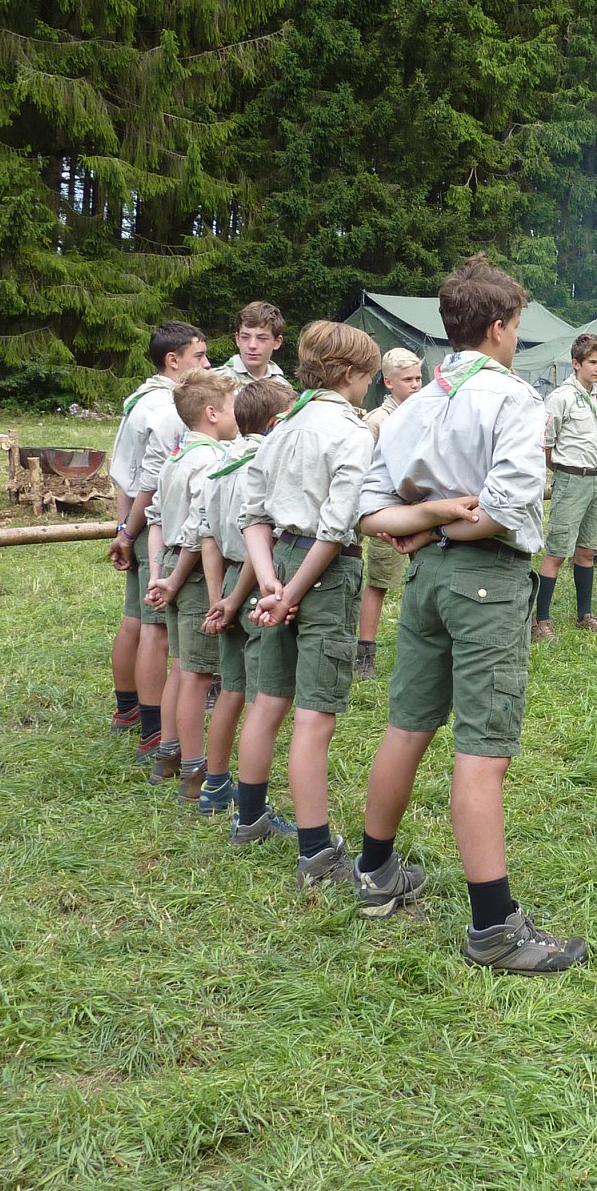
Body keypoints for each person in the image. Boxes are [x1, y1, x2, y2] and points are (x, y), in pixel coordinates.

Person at [354, 254, 589, 975]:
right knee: (484, 750)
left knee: (407, 725)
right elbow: (511, 507)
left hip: (425, 584)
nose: (517, 339)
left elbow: (368, 509)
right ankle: (494, 927)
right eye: (517, 326)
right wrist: (443, 522)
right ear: (496, 327)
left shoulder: (414, 403)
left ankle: (375, 874)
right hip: (485, 582)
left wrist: (420, 527)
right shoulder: (512, 398)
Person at [233, 320, 380, 886]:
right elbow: (338, 526)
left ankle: (248, 818)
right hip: (324, 572)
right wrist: (291, 594)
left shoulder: (283, 425)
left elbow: (254, 514)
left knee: (268, 700)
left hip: (280, 564)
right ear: (348, 374)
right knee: (315, 717)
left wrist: (270, 583)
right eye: (368, 376)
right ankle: (317, 854)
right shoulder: (350, 432)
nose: (368, 387)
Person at [106, 321, 210, 761]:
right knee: (155, 629)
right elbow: (149, 479)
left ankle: (127, 710)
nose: (207, 363)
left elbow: (119, 473)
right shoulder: (168, 407)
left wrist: (121, 527)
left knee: (135, 618)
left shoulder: (140, 400)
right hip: (158, 526)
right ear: (174, 360)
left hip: (137, 523)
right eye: (200, 356)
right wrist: (130, 532)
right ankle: (152, 730)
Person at [194, 376, 294, 816]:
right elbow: (263, 538)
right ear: (276, 422)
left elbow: (210, 538)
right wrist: (235, 601)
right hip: (255, 584)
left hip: (227, 580)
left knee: (231, 689)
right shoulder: (264, 463)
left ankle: (214, 784)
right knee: (260, 696)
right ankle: (253, 805)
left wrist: (218, 598)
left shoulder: (220, 463)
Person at [141, 368, 239, 799]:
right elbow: (202, 530)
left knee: (180, 669)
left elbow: (157, 520)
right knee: (199, 677)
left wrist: (159, 574)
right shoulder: (211, 461)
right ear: (213, 413)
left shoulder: (175, 460)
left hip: (172, 573)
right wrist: (177, 580)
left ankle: (167, 751)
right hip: (195, 577)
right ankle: (195, 771)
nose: (238, 415)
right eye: (234, 407)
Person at [532, 333, 597, 642]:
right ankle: (541, 619)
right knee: (557, 551)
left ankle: (584, 614)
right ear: (576, 363)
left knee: (588, 549)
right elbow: (546, 444)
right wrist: (564, 472)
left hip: (596, 479)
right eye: (592, 362)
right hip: (571, 478)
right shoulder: (561, 397)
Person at [356, 348, 425, 677]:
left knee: (425, 574)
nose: (415, 385)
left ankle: (423, 644)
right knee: (381, 580)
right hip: (388, 512)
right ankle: (365, 651)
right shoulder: (378, 421)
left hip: (422, 510)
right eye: (407, 379)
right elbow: (366, 471)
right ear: (388, 382)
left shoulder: (424, 413)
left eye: (418, 378)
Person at [225, 301, 286, 386]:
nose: (252, 345)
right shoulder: (216, 383)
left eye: (261, 338)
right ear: (237, 339)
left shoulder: (283, 387)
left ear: (277, 342)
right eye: (245, 337)